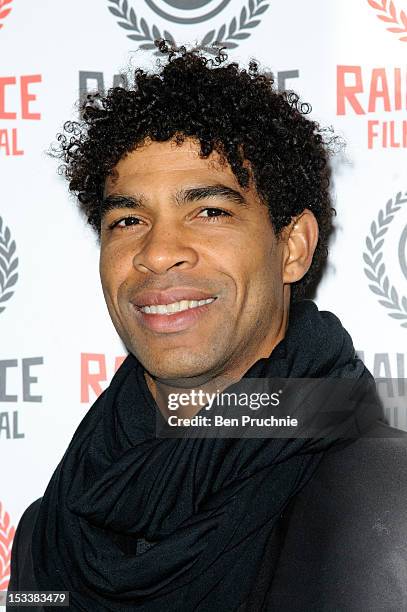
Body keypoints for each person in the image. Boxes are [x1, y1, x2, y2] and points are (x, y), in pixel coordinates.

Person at [7, 41, 407, 611]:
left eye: (209, 211)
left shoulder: (389, 499)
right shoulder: (50, 536)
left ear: (292, 247)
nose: (159, 251)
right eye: (127, 219)